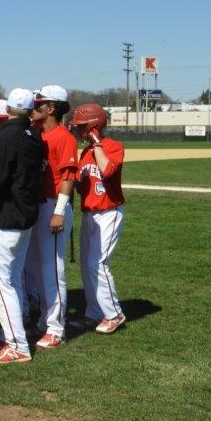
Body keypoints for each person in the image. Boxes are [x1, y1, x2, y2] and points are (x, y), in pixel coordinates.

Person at [0, 89, 44, 363]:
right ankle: (12, 335)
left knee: (2, 284)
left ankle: (17, 345)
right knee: (12, 281)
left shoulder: (7, 137)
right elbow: (2, 135)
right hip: (25, 218)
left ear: (8, 108)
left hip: (5, 219)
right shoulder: (33, 136)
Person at [70, 104, 127, 334]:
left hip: (109, 212)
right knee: (87, 266)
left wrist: (96, 144)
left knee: (98, 264)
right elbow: (80, 186)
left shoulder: (113, 146)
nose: (79, 131)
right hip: (89, 214)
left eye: (83, 127)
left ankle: (114, 314)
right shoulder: (84, 153)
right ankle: (94, 312)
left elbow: (108, 170)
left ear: (94, 125)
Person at [30, 85, 78, 349]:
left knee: (52, 268)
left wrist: (59, 211)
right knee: (38, 267)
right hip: (39, 206)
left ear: (51, 109)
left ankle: (56, 328)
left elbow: (69, 177)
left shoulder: (63, 137)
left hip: (53, 206)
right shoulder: (38, 134)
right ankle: (48, 318)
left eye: (39, 104)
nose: (33, 108)